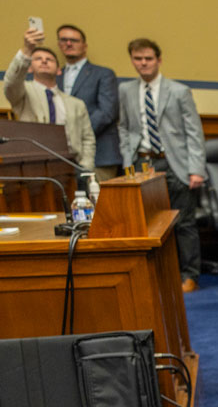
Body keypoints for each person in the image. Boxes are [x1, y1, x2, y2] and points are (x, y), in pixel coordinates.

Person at [117, 38, 207, 291]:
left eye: (148, 58)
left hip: (174, 163)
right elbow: (123, 127)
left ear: (158, 60)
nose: (143, 63)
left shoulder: (179, 91)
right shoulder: (125, 90)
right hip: (141, 163)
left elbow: (194, 133)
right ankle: (156, 275)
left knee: (184, 222)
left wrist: (196, 169)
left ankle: (189, 275)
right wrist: (127, 161)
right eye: (137, 58)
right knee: (146, 223)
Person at [5, 30, 95, 171]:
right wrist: (27, 50)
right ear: (29, 67)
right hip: (34, 165)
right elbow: (11, 82)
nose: (44, 61)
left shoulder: (76, 104)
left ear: (59, 70)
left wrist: (86, 169)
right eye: (38, 59)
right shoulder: (22, 93)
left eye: (50, 59)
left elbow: (88, 140)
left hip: (71, 165)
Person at [55, 24, 118, 179]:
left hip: (99, 155)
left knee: (98, 202)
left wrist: (75, 135)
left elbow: (107, 112)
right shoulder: (54, 75)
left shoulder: (103, 74)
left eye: (74, 40)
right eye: (64, 40)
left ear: (84, 46)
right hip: (61, 157)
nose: (69, 44)